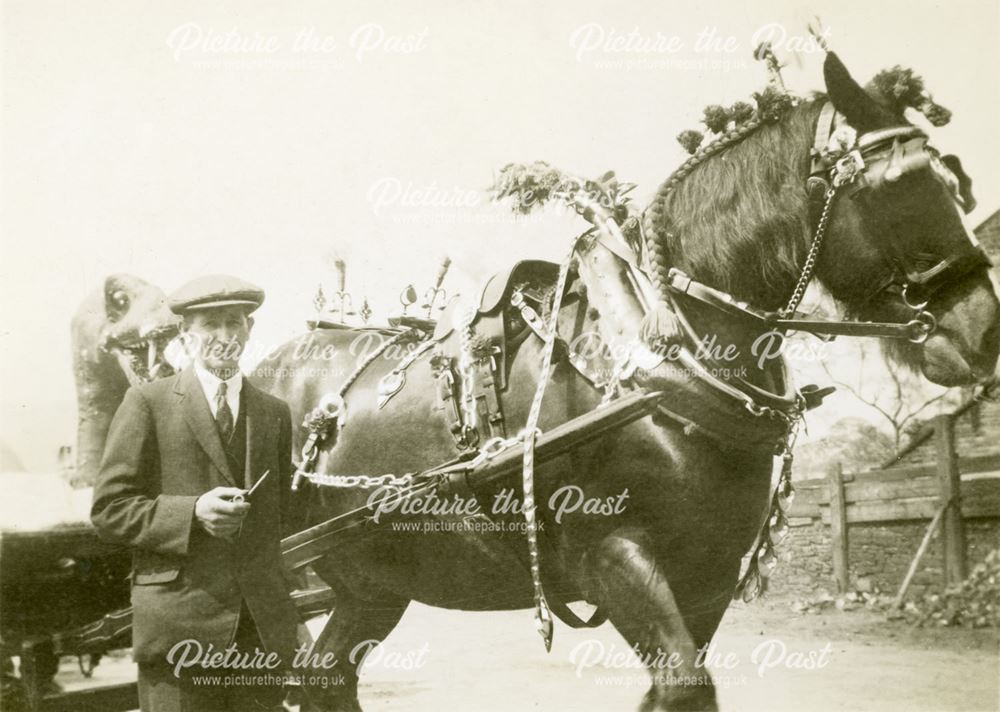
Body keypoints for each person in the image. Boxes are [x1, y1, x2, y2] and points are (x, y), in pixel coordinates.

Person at [91, 274, 301, 711]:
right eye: (211, 325)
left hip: (259, 634)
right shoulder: (147, 403)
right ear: (186, 333)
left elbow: (283, 517)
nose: (225, 337)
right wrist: (192, 513)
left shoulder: (274, 413)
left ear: (250, 330)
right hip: (178, 632)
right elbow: (110, 509)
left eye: (235, 323)